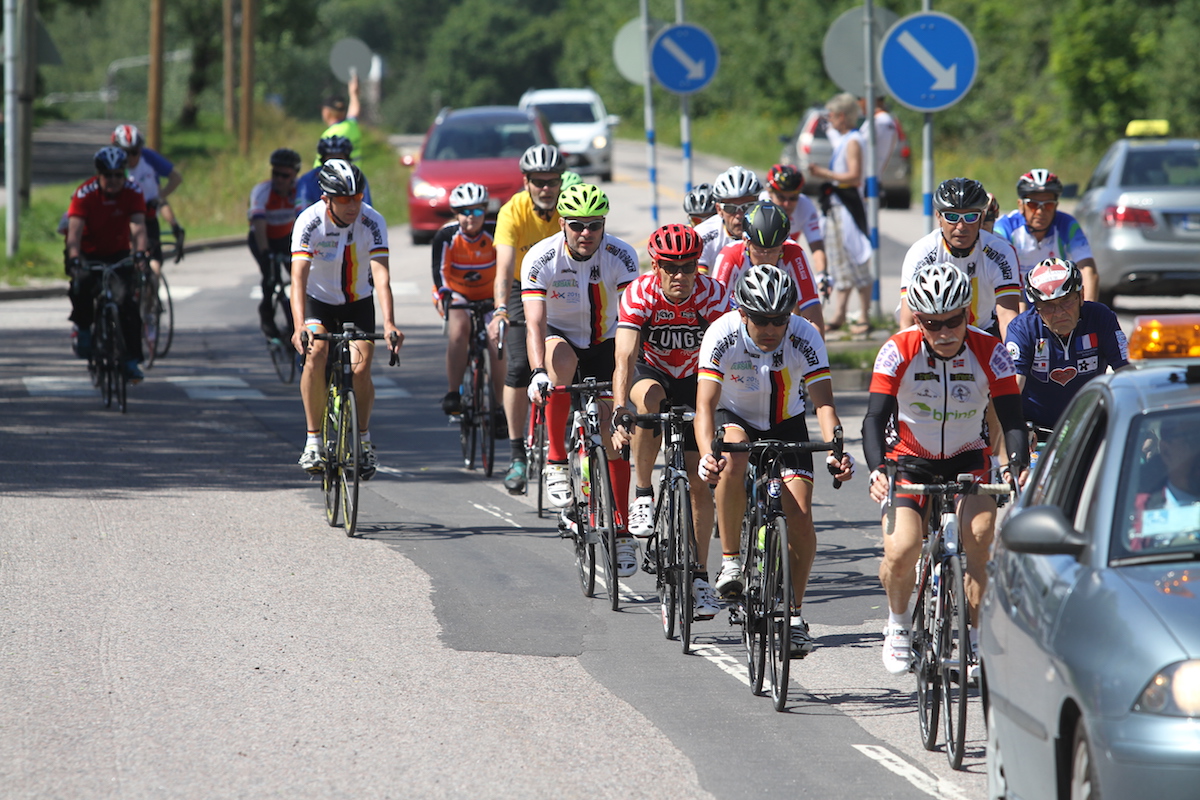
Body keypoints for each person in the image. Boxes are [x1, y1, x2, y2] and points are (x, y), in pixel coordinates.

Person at [863, 263, 1027, 675]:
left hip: (968, 458)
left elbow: (1012, 418)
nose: (944, 332)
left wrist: (1016, 467)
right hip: (909, 459)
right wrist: (877, 468)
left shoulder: (991, 351)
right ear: (917, 319)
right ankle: (899, 625)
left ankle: (974, 637)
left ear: (968, 314)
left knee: (978, 537)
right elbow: (872, 418)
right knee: (900, 551)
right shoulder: (897, 350)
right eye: (931, 323)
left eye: (953, 321)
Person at [694, 266, 856, 656]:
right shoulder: (722, 334)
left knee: (800, 517)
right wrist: (705, 455)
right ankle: (731, 560)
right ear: (743, 313)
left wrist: (837, 450)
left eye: (779, 320)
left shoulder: (805, 335)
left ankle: (794, 615)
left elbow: (824, 404)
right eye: (761, 319)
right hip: (736, 420)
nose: (771, 328)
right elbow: (704, 405)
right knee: (735, 457)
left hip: (787, 423)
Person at [611, 224, 730, 617]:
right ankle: (643, 493)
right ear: (656, 265)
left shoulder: (713, 295)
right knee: (648, 402)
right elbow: (625, 358)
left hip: (697, 378)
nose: (680, 275)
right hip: (653, 372)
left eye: (689, 266)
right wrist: (618, 409)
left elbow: (728, 356)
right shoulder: (640, 293)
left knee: (699, 483)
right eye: (671, 267)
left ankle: (698, 575)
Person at [522, 183, 640, 575]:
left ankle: (621, 529)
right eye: (577, 225)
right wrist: (537, 372)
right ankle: (556, 458)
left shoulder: (621, 255)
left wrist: (623, 383)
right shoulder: (541, 258)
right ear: (562, 224)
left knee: (613, 433)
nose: (586, 233)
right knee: (561, 360)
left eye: (594, 225)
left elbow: (631, 322)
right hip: (560, 336)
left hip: (607, 341)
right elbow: (535, 323)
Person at [291, 160, 403, 477]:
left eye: (358, 196)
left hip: (358, 302)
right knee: (315, 354)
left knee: (361, 366)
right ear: (326, 198)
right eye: (344, 199)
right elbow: (297, 279)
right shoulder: (308, 222)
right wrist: (299, 326)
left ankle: (364, 440)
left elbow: (381, 277)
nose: (354, 204)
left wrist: (390, 323)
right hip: (318, 302)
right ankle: (313, 441)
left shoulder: (373, 220)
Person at [487, 144, 566, 494]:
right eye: (539, 181)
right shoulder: (512, 211)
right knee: (519, 368)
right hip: (524, 288)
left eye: (552, 181)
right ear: (526, 181)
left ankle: (572, 445)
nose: (546, 188)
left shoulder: (569, 208)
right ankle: (517, 454)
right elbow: (503, 266)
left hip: (566, 288)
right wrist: (501, 309)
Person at [1004, 258, 1128, 435]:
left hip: (1087, 426)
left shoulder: (1101, 317)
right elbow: (1012, 387)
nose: (1059, 312)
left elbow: (1127, 371)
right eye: (1048, 306)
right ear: (1036, 307)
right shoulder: (1021, 328)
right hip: (1035, 430)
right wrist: (1017, 428)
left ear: (1081, 295)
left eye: (1066, 301)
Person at [64, 146, 150, 381]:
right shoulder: (84, 194)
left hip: (117, 252)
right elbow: (74, 232)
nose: (113, 180)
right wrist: (73, 258)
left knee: (127, 304)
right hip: (86, 251)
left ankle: (131, 360)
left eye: (118, 175)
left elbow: (138, 227)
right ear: (98, 175)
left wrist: (140, 253)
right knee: (81, 284)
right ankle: (82, 329)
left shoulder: (133, 191)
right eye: (108, 175)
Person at [898, 177, 1022, 339]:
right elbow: (908, 323)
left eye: (970, 217)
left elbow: (1007, 317)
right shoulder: (921, 253)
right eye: (952, 217)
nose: (961, 226)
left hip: (984, 333)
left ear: (982, 218)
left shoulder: (1001, 252)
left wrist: (1013, 358)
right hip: (935, 333)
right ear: (938, 217)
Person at [432, 182, 503, 416]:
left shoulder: (495, 232)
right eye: (464, 212)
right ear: (456, 213)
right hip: (456, 292)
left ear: (485, 211)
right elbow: (440, 272)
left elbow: (505, 267)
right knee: (459, 330)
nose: (470, 218)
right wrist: (446, 294)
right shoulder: (446, 235)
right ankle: (454, 392)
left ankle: (500, 406)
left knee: (496, 343)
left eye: (477, 211)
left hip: (490, 296)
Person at [807, 92, 873, 334]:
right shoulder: (846, 139)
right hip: (837, 206)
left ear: (842, 116)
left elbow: (854, 176)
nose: (830, 120)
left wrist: (824, 174)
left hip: (848, 207)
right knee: (839, 263)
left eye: (832, 115)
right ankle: (840, 313)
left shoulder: (854, 140)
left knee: (857, 258)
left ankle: (863, 314)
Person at [710, 200, 825, 336]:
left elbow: (811, 307)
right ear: (746, 241)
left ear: (782, 244)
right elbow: (714, 312)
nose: (766, 257)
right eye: (759, 250)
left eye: (773, 251)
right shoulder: (730, 256)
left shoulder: (793, 253)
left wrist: (816, 351)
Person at [994, 169, 1099, 302]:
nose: (1040, 211)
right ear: (1021, 205)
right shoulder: (1005, 226)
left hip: (1052, 304)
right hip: (1013, 299)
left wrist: (1088, 311)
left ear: (1056, 206)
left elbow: (1087, 268)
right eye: (1033, 205)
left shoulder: (1067, 224)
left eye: (1048, 205)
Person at [111, 124, 185, 279]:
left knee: (153, 267)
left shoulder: (148, 159)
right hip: (120, 221)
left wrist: (175, 226)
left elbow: (175, 180)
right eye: (125, 153)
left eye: (134, 152)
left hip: (147, 219)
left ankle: (151, 296)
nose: (130, 158)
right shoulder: (110, 166)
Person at [249, 148, 303, 341]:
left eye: (285, 175)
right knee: (270, 277)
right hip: (262, 238)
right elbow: (259, 224)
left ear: (294, 175)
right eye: (275, 173)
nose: (279, 179)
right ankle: (267, 314)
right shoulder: (262, 191)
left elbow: (304, 220)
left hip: (285, 237)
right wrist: (265, 253)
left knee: (299, 277)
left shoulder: (299, 190)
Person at [759, 164, 828, 297]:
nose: (786, 204)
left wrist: (822, 274)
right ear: (769, 192)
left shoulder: (805, 205)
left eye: (793, 198)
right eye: (781, 198)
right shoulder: (760, 204)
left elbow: (816, 245)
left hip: (784, 257)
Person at [696, 166, 762, 272]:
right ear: (719, 210)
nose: (739, 215)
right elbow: (699, 284)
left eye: (747, 206)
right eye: (731, 208)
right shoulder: (703, 236)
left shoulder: (772, 229)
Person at [296, 135, 373, 210]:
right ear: (323, 159)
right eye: (331, 158)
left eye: (339, 158)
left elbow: (366, 209)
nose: (335, 163)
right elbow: (302, 209)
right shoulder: (308, 180)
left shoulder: (357, 178)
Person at [316, 73, 362, 165]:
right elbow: (354, 112)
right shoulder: (351, 126)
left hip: (334, 178)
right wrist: (354, 95)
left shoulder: (329, 136)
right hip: (355, 176)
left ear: (326, 112)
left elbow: (320, 165)